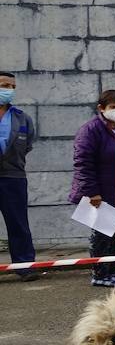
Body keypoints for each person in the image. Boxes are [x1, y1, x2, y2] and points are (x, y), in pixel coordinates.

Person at [69, 90, 115, 288]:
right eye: (113, 107)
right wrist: (92, 192)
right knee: (102, 235)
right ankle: (100, 273)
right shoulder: (91, 130)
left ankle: (112, 269)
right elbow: (83, 163)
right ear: (101, 108)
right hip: (102, 194)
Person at [0, 71, 41, 282]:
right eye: (4, 85)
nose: (7, 89)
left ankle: (25, 266)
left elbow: (28, 144)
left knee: (18, 223)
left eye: (11, 86)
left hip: (13, 177)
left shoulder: (21, 117)